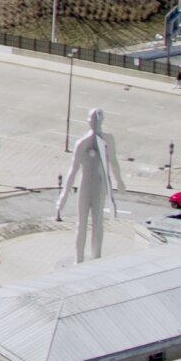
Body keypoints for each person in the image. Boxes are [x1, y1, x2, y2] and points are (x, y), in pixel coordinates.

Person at [53, 106, 123, 262]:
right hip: (85, 184)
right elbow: (73, 170)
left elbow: (113, 162)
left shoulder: (107, 140)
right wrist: (63, 196)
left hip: (99, 185)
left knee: (98, 223)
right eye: (92, 119)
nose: (95, 122)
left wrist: (119, 181)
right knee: (81, 223)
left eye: (97, 119)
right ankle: (79, 259)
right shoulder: (82, 143)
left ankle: (96, 258)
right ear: (88, 121)